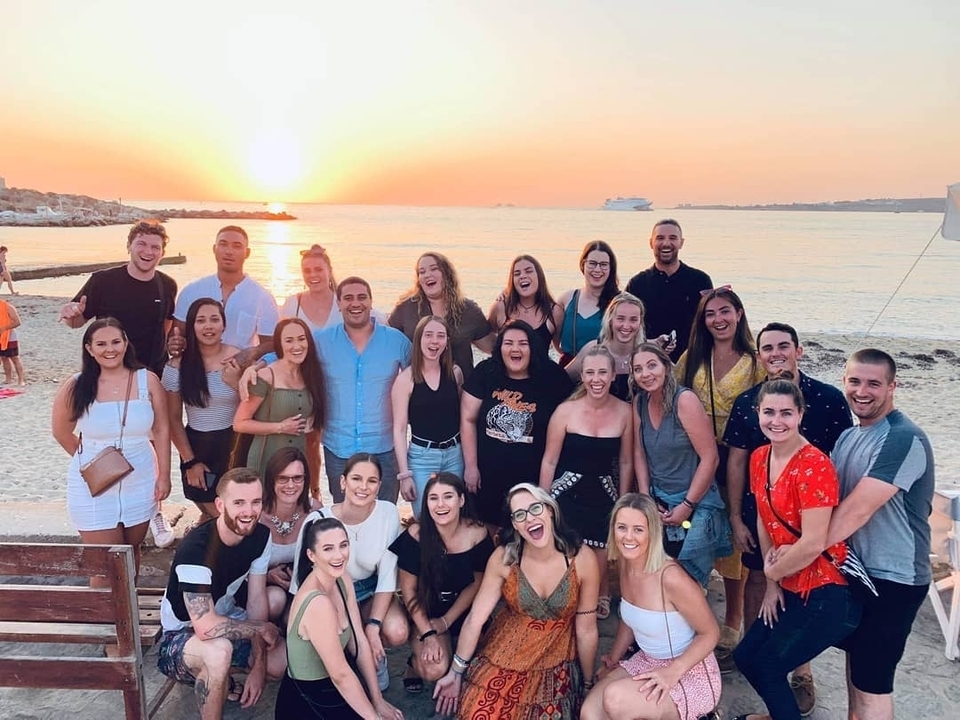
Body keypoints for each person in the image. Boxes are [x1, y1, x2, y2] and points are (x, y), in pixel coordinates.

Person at [722, 322, 852, 711]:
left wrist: (775, 575)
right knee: (747, 658)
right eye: (768, 413)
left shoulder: (814, 465)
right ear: (757, 413)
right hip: (787, 581)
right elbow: (764, 518)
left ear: (800, 414)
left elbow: (813, 541)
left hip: (823, 587)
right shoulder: (761, 457)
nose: (776, 421)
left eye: (785, 414)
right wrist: (773, 582)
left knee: (765, 664)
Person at [825, 349, 935, 720]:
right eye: (855, 381)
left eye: (874, 383)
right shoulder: (848, 438)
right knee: (855, 674)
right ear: (844, 382)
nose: (862, 391)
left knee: (873, 685)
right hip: (857, 571)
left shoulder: (904, 438)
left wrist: (801, 552)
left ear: (892, 387)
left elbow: (856, 510)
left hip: (895, 579)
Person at [433, 483, 600, 719]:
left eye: (535, 508)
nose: (529, 518)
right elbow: (475, 619)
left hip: (557, 650)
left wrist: (588, 682)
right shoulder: (504, 558)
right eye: (520, 514)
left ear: (550, 510)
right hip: (507, 648)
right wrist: (456, 672)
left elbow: (586, 629)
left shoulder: (581, 558)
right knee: (479, 711)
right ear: (514, 524)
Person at [242, 277, 412, 503]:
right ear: (338, 304)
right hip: (338, 447)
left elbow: (422, 371)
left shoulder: (396, 341)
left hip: (384, 447)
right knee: (342, 514)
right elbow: (288, 354)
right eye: (348, 298)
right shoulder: (322, 341)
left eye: (362, 297)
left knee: (385, 515)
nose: (356, 303)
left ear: (371, 302)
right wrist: (256, 366)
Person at [675, 286, 765, 661]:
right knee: (694, 534)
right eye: (711, 314)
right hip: (696, 459)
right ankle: (691, 615)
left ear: (739, 314)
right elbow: (670, 392)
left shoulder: (756, 362)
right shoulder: (694, 358)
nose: (719, 319)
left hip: (740, 459)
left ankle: (731, 623)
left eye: (725, 311)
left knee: (734, 539)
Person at [157, 467, 286, 720]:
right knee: (218, 651)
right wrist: (260, 629)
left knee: (278, 663)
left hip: (227, 618)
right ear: (219, 505)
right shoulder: (197, 550)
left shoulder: (260, 536)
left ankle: (221, 678)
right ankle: (214, 676)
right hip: (180, 636)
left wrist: (259, 664)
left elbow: (256, 599)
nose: (249, 512)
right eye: (238, 503)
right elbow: (205, 627)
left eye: (255, 502)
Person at [51, 318, 170, 584]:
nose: (110, 349)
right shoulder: (76, 385)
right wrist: (95, 465)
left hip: (141, 477)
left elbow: (162, 429)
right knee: (106, 567)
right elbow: (60, 431)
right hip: (94, 485)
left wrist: (164, 475)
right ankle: (103, 622)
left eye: (116, 342)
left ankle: (126, 621)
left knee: (131, 556)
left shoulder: (147, 380)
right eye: (101, 344)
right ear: (89, 349)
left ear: (126, 343)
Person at [582, 493, 721, 720]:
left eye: (638, 529)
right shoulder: (626, 564)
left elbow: (710, 633)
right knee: (590, 713)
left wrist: (671, 673)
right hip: (647, 660)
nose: (628, 537)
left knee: (616, 701)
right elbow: (631, 617)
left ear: (652, 532)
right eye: (622, 527)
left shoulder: (671, 577)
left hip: (688, 672)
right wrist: (614, 658)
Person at [292, 453, 408, 692]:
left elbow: (387, 575)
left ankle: (373, 653)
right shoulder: (318, 520)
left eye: (372, 481)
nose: (363, 487)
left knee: (396, 631)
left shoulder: (388, 513)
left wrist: (374, 626)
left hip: (369, 588)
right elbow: (300, 581)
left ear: (380, 485)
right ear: (343, 482)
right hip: (329, 592)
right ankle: (348, 660)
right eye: (356, 479)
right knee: (343, 636)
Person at [277, 516, 404, 720]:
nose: (338, 555)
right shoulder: (318, 603)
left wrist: (377, 699)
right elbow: (341, 675)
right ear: (311, 555)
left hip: (335, 685)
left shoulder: (341, 578)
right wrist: (373, 718)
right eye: (328, 549)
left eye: (343, 546)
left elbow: (359, 642)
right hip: (309, 698)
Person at [541, 345, 633, 620]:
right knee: (564, 547)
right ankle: (564, 593)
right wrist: (544, 501)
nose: (596, 379)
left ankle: (600, 592)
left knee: (601, 550)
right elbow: (549, 460)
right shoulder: (565, 411)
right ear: (582, 375)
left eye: (603, 372)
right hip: (566, 489)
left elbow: (626, 461)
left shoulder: (625, 412)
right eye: (590, 372)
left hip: (604, 488)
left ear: (613, 374)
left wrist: (623, 501)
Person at [632, 342, 731, 588]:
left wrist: (687, 506)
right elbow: (638, 453)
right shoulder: (639, 403)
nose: (646, 374)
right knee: (659, 573)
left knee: (689, 580)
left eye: (652, 365)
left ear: (666, 366)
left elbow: (711, 458)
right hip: (659, 502)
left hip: (694, 503)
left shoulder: (684, 400)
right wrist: (646, 497)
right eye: (638, 369)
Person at [461, 319, 574, 532]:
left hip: (532, 477)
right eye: (508, 342)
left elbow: (571, 417)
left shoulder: (551, 376)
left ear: (533, 347)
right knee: (488, 535)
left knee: (528, 532)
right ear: (499, 347)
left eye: (523, 343)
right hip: (488, 477)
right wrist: (471, 467)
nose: (515, 348)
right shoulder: (485, 372)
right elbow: (468, 419)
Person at [389, 473, 494, 693]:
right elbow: (408, 591)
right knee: (433, 669)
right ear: (426, 503)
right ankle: (413, 665)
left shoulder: (477, 533)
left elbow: (476, 583)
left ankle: (453, 647)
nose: (441, 504)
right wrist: (428, 633)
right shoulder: (415, 535)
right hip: (425, 610)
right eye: (433, 498)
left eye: (448, 496)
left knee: (488, 664)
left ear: (461, 500)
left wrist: (446, 622)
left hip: (464, 609)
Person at [59, 220, 177, 376]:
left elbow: (165, 327)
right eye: (141, 244)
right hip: (109, 372)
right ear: (129, 246)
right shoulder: (102, 280)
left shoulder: (168, 285)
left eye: (155, 247)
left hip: (152, 373)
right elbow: (76, 322)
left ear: (162, 253)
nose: (148, 252)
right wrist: (72, 314)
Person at [163, 298, 241, 521]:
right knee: (217, 515)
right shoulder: (176, 367)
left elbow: (253, 405)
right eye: (201, 320)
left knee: (235, 512)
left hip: (236, 444)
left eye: (215, 319)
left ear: (224, 325)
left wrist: (237, 382)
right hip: (198, 447)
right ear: (191, 326)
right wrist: (190, 462)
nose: (209, 326)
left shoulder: (236, 359)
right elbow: (173, 420)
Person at [170, 225, 279, 368]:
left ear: (247, 253)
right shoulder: (191, 291)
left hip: (238, 374)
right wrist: (175, 343)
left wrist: (254, 351)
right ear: (214, 249)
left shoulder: (262, 297)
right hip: (195, 372)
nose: (229, 251)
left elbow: (272, 344)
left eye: (237, 246)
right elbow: (177, 335)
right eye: (223, 244)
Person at [233, 318, 326, 482]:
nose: (297, 346)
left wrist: (315, 486)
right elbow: (240, 423)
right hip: (265, 460)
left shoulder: (311, 376)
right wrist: (281, 427)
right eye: (289, 341)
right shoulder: (265, 376)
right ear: (280, 345)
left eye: (301, 339)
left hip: (297, 463)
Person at [392, 315, 464, 518]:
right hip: (421, 458)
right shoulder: (406, 380)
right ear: (418, 340)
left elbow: (462, 418)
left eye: (441, 336)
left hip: (455, 455)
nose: (434, 341)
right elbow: (399, 429)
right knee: (426, 519)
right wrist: (404, 475)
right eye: (429, 335)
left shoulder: (455, 373)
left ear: (447, 342)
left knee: (453, 516)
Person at [388, 251, 493, 381]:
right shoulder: (406, 309)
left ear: (447, 274)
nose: (427, 275)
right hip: (418, 390)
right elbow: (385, 345)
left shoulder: (469, 310)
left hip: (461, 391)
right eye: (422, 272)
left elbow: (493, 348)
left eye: (434, 269)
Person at [625, 219, 712, 361]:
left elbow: (710, 322)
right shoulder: (637, 284)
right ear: (651, 243)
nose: (666, 243)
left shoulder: (700, 280)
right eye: (660, 238)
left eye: (672, 238)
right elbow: (626, 327)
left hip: (692, 363)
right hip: (648, 362)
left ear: (681, 242)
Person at [259, 447, 319, 624]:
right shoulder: (257, 514)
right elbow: (237, 566)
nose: (291, 485)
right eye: (282, 478)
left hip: (303, 585)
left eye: (297, 478)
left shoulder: (315, 511)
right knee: (275, 601)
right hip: (263, 586)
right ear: (271, 480)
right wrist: (268, 577)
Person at [566, 291, 649, 401]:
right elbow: (563, 379)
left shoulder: (648, 354)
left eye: (633, 319)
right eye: (620, 318)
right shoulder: (592, 349)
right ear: (610, 319)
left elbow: (673, 379)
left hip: (638, 417)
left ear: (640, 322)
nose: (626, 325)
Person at [556, 240, 620, 365]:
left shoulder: (619, 301)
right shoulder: (566, 299)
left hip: (605, 371)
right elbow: (555, 341)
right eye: (592, 263)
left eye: (603, 264)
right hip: (569, 371)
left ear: (610, 268)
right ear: (582, 265)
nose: (597, 269)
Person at [487, 255, 563, 353]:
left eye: (528, 271)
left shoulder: (554, 312)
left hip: (541, 368)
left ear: (539, 276)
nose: (522, 276)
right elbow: (487, 338)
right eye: (517, 273)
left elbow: (560, 348)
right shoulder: (500, 307)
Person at [281, 244, 342, 330]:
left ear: (329, 271)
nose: (312, 275)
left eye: (318, 269)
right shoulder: (292, 304)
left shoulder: (343, 303)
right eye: (307, 271)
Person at [0, 298, 25, 386]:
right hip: (0, 338)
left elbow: (17, 322)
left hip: (9, 337)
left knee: (14, 358)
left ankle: (21, 380)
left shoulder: (8, 307)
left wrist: (4, 328)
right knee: (3, 358)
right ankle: (8, 379)